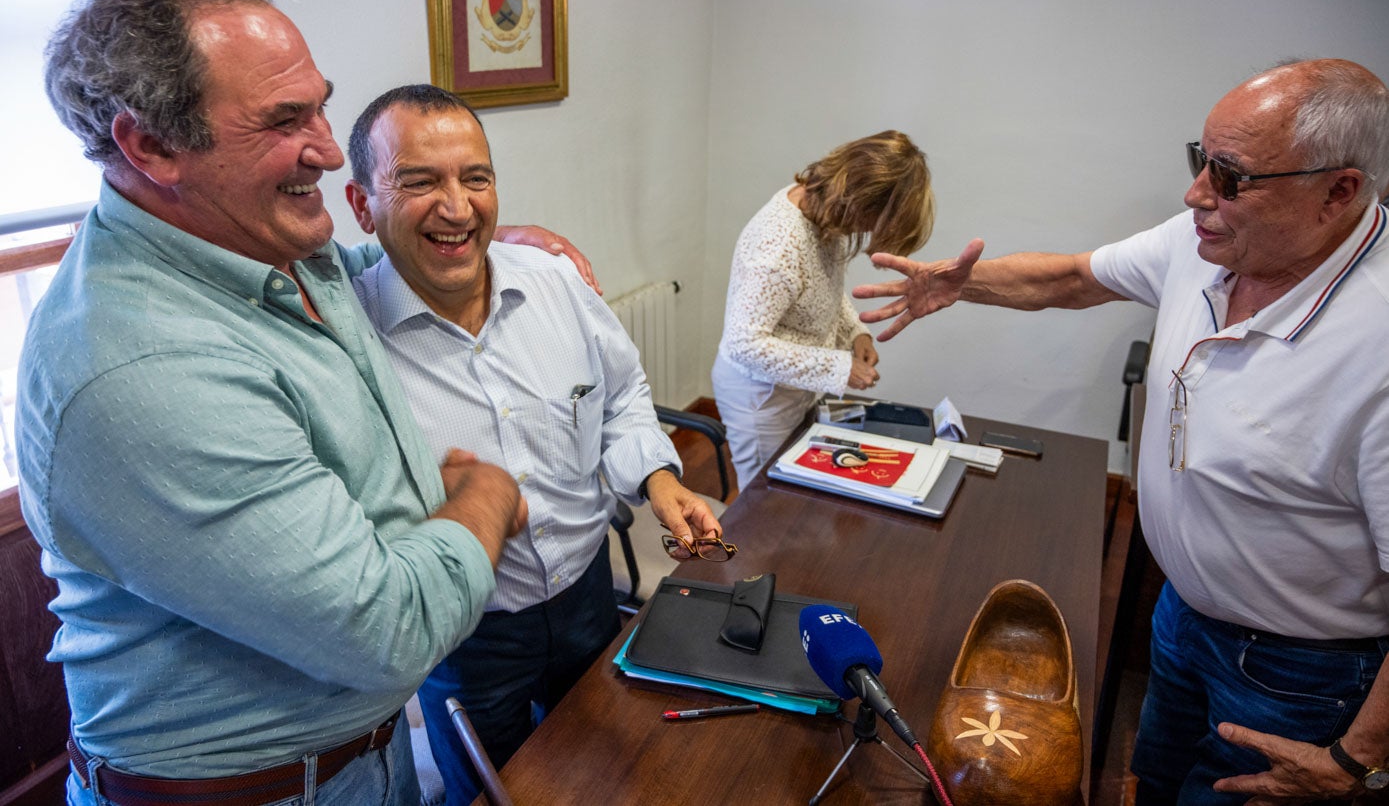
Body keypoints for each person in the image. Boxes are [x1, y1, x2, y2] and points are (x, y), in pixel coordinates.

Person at [19, 0, 591, 806]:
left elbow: (345, 271)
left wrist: (471, 240)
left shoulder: (252, 229)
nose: (328, 150)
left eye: (318, 109)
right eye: (284, 123)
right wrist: (485, 499)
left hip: (362, 759)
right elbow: (387, 629)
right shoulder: (142, 373)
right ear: (151, 146)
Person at [854, 59, 1389, 804]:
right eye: (1199, 160)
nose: (1195, 193)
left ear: (1338, 192)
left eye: (1230, 176)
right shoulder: (1203, 239)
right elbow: (1073, 277)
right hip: (1182, 614)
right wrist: (960, 283)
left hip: (1301, 676)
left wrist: (1358, 763)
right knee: (1157, 779)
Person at [343, 84, 724, 805]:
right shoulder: (349, 341)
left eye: (474, 178)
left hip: (586, 594)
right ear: (362, 206)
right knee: (493, 790)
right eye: (419, 182)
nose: (456, 208)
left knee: (597, 763)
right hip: (466, 636)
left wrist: (658, 481)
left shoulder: (553, 282)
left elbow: (621, 396)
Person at [711, 130, 935, 488]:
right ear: (861, 200)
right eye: (872, 223)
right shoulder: (778, 246)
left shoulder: (822, 209)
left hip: (795, 385)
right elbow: (745, 344)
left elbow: (819, 288)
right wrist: (838, 366)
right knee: (765, 501)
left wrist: (855, 333)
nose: (866, 231)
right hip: (759, 398)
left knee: (795, 490)